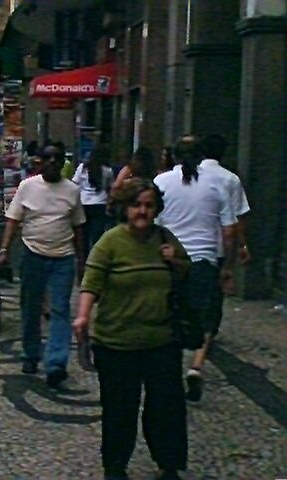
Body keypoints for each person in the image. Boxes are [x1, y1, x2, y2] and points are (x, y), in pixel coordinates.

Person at [74, 178, 191, 480]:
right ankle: (115, 467)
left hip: (161, 341)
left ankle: (169, 465)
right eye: (136, 205)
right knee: (119, 410)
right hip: (116, 343)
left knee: (166, 408)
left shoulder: (165, 238)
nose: (142, 211)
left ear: (156, 208)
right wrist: (83, 317)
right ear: (124, 208)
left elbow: (185, 273)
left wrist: (174, 260)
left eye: (148, 205)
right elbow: (92, 282)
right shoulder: (110, 242)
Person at [154, 135, 238, 402]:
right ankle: (196, 366)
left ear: (174, 156)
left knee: (168, 316)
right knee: (203, 319)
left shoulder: (161, 182)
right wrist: (228, 267)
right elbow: (229, 232)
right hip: (203, 262)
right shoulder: (218, 183)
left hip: (168, 259)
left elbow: (152, 222)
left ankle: (169, 370)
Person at [0, 143, 87, 388]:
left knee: (59, 309)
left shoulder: (72, 190)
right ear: (40, 162)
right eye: (48, 159)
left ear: (62, 164)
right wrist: (4, 249)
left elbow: (78, 226)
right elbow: (13, 219)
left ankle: (56, 362)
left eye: (57, 159)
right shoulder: (28, 186)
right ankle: (31, 353)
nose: (52, 163)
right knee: (31, 307)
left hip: (63, 257)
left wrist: (81, 260)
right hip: (33, 254)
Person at [178, 134, 251, 401]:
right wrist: (239, 251)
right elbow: (236, 222)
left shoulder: (170, 178)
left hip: (177, 253)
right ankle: (197, 364)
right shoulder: (229, 179)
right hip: (213, 253)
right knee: (210, 311)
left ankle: (171, 362)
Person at [73, 144, 114, 250]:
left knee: (84, 235)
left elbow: (75, 183)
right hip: (100, 204)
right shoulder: (107, 170)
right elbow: (110, 188)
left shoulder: (82, 168)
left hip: (84, 203)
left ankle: (84, 257)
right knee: (97, 235)